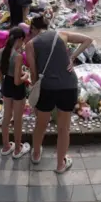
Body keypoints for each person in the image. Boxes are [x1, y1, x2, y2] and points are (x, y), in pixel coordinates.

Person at [25, 15, 93, 173]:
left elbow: (33, 72)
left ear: (34, 29)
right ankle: (60, 164)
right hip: (68, 86)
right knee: (64, 128)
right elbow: (88, 40)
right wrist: (73, 57)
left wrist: (35, 93)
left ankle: (36, 155)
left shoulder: (31, 44)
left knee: (40, 125)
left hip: (46, 88)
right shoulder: (61, 35)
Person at [0, 27, 30, 158]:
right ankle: (17, 149)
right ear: (20, 39)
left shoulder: (1, 51)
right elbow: (17, 81)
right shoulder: (18, 57)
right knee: (17, 119)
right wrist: (26, 76)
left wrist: (3, 87)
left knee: (6, 117)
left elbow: (0, 73)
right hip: (17, 89)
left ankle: (6, 146)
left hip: (6, 85)